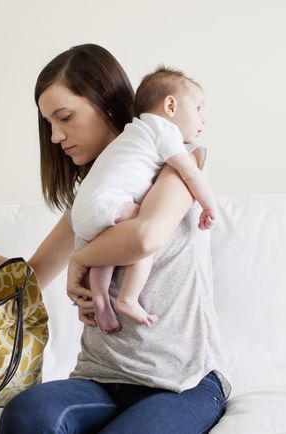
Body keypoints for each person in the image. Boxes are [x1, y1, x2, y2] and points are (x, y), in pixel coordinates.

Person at [0, 43, 231, 434]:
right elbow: (33, 277)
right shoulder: (91, 202)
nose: (56, 135)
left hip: (183, 382)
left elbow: (146, 236)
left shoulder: (179, 160)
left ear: (106, 103)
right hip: (100, 379)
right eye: (49, 124)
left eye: (65, 117)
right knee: (26, 417)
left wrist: (81, 260)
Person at [71, 66, 217, 333]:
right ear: (170, 105)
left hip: (85, 211)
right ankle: (127, 298)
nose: (204, 119)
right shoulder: (165, 132)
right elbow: (190, 174)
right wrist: (209, 206)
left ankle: (101, 296)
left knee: (107, 247)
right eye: (198, 108)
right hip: (107, 205)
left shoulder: (133, 134)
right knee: (142, 224)